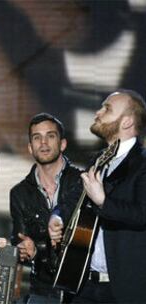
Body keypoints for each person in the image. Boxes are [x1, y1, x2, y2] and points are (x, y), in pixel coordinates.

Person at [49, 89, 146, 303]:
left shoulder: (142, 163)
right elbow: (72, 199)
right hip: (82, 283)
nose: (98, 112)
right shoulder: (99, 159)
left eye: (107, 108)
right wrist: (57, 217)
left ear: (127, 121)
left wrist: (103, 201)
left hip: (122, 290)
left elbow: (142, 214)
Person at [10, 113, 81, 304]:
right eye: (37, 137)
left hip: (83, 288)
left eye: (50, 136)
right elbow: (19, 241)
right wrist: (28, 252)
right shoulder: (19, 193)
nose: (43, 142)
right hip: (43, 288)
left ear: (63, 143)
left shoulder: (82, 183)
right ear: (30, 148)